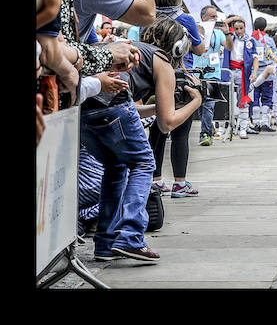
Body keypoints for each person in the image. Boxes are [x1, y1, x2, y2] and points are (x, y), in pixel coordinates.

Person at [81, 16, 204, 261]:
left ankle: (106, 244)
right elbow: (166, 124)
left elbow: (123, 111)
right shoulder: (162, 60)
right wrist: (196, 102)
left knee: (116, 168)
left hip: (85, 108)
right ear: (178, 46)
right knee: (144, 163)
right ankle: (130, 236)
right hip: (113, 105)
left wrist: (160, 106)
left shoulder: (133, 49)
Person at [146, 0, 205, 197]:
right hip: (181, 78)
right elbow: (200, 50)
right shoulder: (185, 20)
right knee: (181, 132)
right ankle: (180, 183)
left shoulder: (149, 17)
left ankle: (156, 180)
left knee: (156, 130)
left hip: (152, 77)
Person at [195, 5, 228, 145]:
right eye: (213, 16)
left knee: (209, 105)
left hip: (213, 73)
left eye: (216, 16)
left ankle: (205, 134)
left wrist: (227, 33)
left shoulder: (218, 33)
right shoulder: (195, 31)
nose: (216, 19)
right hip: (196, 73)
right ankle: (208, 131)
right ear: (204, 18)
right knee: (200, 105)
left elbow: (229, 47)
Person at [223, 17, 260, 139]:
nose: (239, 31)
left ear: (245, 28)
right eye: (236, 28)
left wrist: (254, 72)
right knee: (227, 99)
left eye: (241, 28)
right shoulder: (229, 38)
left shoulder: (251, 41)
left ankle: (243, 128)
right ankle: (226, 127)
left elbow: (255, 58)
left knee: (244, 101)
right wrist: (234, 18)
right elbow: (223, 24)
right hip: (229, 71)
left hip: (244, 73)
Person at [249, 16, 277, 132]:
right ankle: (265, 122)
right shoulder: (269, 40)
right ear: (265, 27)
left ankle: (256, 122)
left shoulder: (251, 39)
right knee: (267, 98)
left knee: (254, 97)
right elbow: (274, 55)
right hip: (268, 73)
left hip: (253, 73)